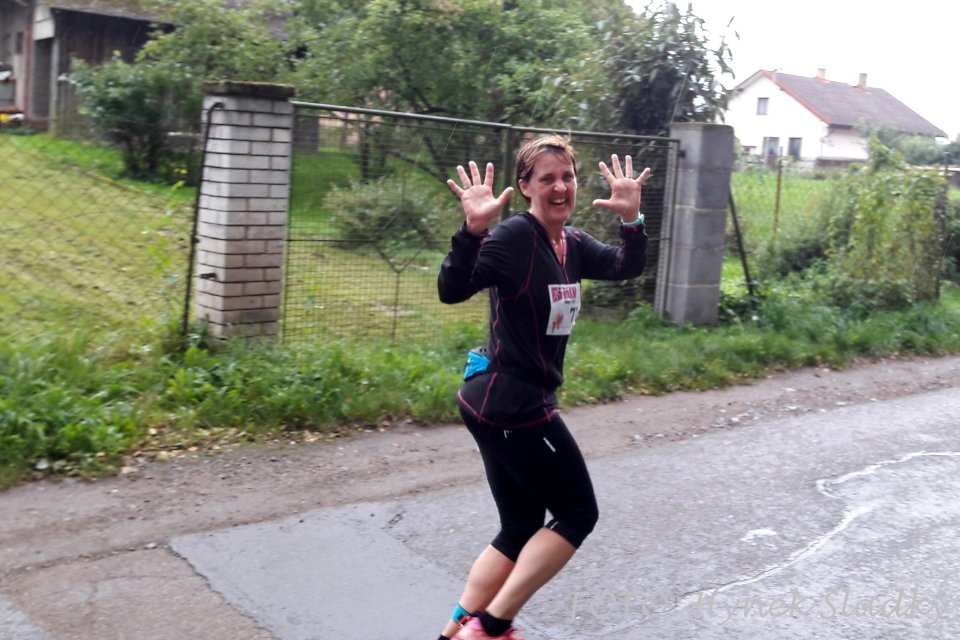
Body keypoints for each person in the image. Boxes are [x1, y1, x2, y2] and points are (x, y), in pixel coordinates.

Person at [435, 134, 652, 640]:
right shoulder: (514, 238)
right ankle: (491, 627)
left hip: (495, 401)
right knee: (577, 514)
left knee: (519, 527)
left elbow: (626, 265)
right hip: (513, 405)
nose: (560, 187)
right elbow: (452, 289)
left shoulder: (571, 244)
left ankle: (453, 633)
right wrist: (472, 230)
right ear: (526, 186)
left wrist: (632, 220)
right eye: (547, 178)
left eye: (567, 177)